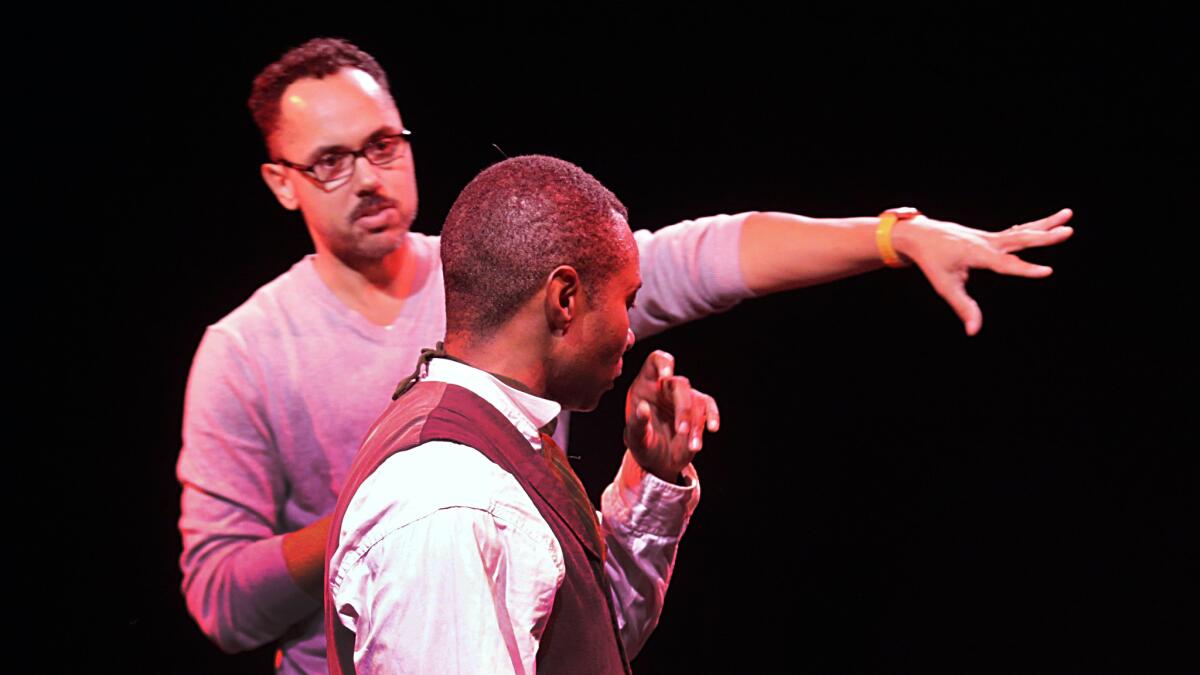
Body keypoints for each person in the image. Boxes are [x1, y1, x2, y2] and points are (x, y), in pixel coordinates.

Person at [176, 37, 1073, 674]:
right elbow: (221, 600)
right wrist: (402, 512)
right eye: (331, 161)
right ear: (280, 180)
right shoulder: (260, 361)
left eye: (383, 144)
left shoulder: (495, 270)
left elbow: (705, 257)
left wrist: (891, 237)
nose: (370, 177)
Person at [326, 155, 718, 673]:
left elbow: (591, 640)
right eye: (627, 300)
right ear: (564, 299)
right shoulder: (452, 499)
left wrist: (655, 475)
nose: (629, 332)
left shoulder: (491, 442)